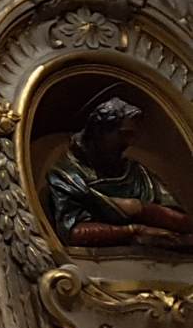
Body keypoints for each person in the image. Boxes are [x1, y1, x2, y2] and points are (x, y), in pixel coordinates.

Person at [45, 95, 193, 252]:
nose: (129, 143)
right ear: (99, 131)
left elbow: (184, 223)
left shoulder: (138, 174)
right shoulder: (67, 176)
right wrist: (133, 231)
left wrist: (141, 209)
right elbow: (73, 233)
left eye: (132, 135)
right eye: (124, 134)